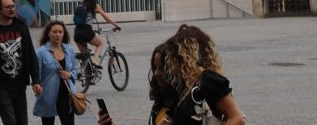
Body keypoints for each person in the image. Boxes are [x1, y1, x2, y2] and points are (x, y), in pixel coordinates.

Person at [96, 25, 244, 125]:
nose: (171, 63)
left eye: (174, 56)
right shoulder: (183, 92)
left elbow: (238, 118)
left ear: (186, 55)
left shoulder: (208, 79)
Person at [33, 19, 78, 125]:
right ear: (48, 33)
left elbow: (76, 70)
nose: (57, 34)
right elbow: (35, 74)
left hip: (67, 94)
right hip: (48, 94)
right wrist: (36, 85)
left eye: (60, 32)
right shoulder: (40, 52)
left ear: (64, 34)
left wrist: (70, 74)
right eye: (54, 32)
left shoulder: (69, 49)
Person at [73, 0, 120, 66]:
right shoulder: (95, 6)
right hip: (87, 31)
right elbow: (107, 18)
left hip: (77, 32)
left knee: (85, 58)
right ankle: (95, 60)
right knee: (100, 44)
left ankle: (87, 76)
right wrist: (117, 26)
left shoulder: (80, 6)